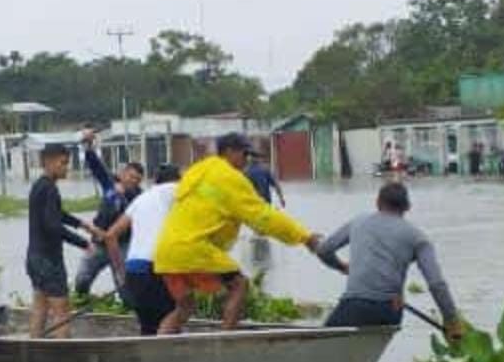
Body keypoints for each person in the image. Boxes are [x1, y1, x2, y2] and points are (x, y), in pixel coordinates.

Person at [153, 132, 321, 334]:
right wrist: (304, 237)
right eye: (244, 154)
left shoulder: (198, 170)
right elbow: (264, 217)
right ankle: (226, 341)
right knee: (239, 285)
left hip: (166, 251)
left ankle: (157, 345)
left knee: (185, 307)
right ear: (229, 151)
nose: (247, 160)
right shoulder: (230, 178)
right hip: (193, 247)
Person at [316, 182, 463, 341]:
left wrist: (341, 266)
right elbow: (436, 283)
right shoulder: (418, 238)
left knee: (320, 344)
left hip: (355, 305)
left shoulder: (358, 222)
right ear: (407, 207)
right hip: (390, 311)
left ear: (377, 203)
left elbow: (323, 251)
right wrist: (451, 320)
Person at [27, 143, 102, 338]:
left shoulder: (39, 186)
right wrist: (84, 244)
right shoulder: (49, 188)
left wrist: (82, 224)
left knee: (40, 307)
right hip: (48, 261)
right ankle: (64, 358)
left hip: (34, 258)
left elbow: (56, 214)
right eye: (63, 163)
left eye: (67, 163)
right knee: (62, 312)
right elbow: (53, 226)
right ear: (48, 162)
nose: (66, 167)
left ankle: (32, 348)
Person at [104, 164, 180, 336]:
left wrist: (121, 273)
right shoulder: (177, 190)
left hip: (134, 270)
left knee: (148, 329)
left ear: (155, 181)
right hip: (157, 268)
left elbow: (110, 236)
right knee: (176, 316)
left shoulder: (141, 198)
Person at [74, 129, 143, 297]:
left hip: (121, 245)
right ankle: (81, 299)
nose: (133, 181)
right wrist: (88, 145)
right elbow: (96, 166)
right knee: (82, 279)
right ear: (123, 174)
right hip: (99, 242)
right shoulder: (110, 184)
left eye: (137, 180)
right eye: (131, 176)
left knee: (124, 286)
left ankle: (128, 307)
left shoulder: (139, 197)